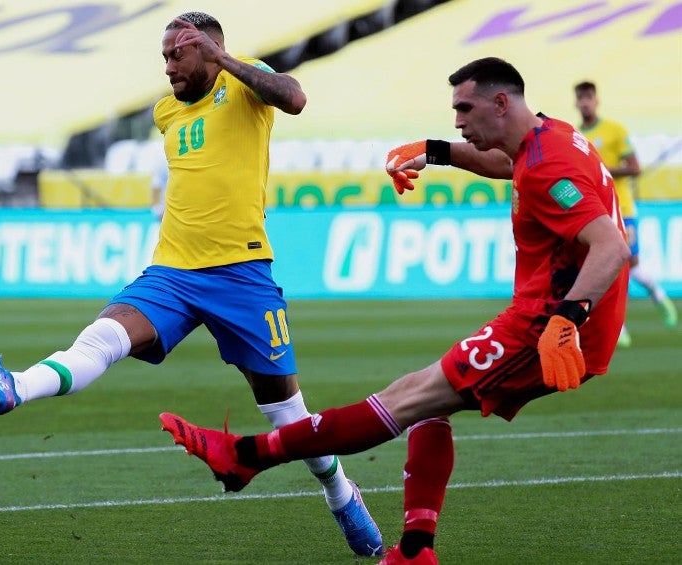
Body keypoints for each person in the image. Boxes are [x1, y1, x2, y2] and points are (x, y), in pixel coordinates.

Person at [159, 57, 631, 565]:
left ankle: (245, 457)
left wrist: (566, 321)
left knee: (405, 399)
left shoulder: (547, 165)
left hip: (546, 329)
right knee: (429, 405)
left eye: (464, 108)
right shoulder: (548, 136)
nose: (457, 121)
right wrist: (434, 152)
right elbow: (510, 165)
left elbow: (611, 246)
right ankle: (415, 549)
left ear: (501, 102)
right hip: (547, 317)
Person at [0, 11, 384, 557]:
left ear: (206, 50)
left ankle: (342, 495)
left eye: (177, 55)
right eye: (164, 58)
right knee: (101, 339)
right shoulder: (165, 112)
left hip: (241, 275)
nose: (168, 68)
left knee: (286, 414)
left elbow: (295, 99)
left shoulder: (245, 82)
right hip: (172, 271)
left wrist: (225, 58)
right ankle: (14, 387)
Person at [574, 80, 677, 346]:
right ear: (576, 103)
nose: (585, 102)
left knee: (630, 265)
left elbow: (635, 167)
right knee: (604, 268)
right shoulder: (575, 136)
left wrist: (604, 170)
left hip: (622, 209)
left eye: (588, 97)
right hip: (595, 212)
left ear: (596, 100)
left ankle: (658, 295)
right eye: (580, 98)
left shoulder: (614, 130)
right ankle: (618, 329)